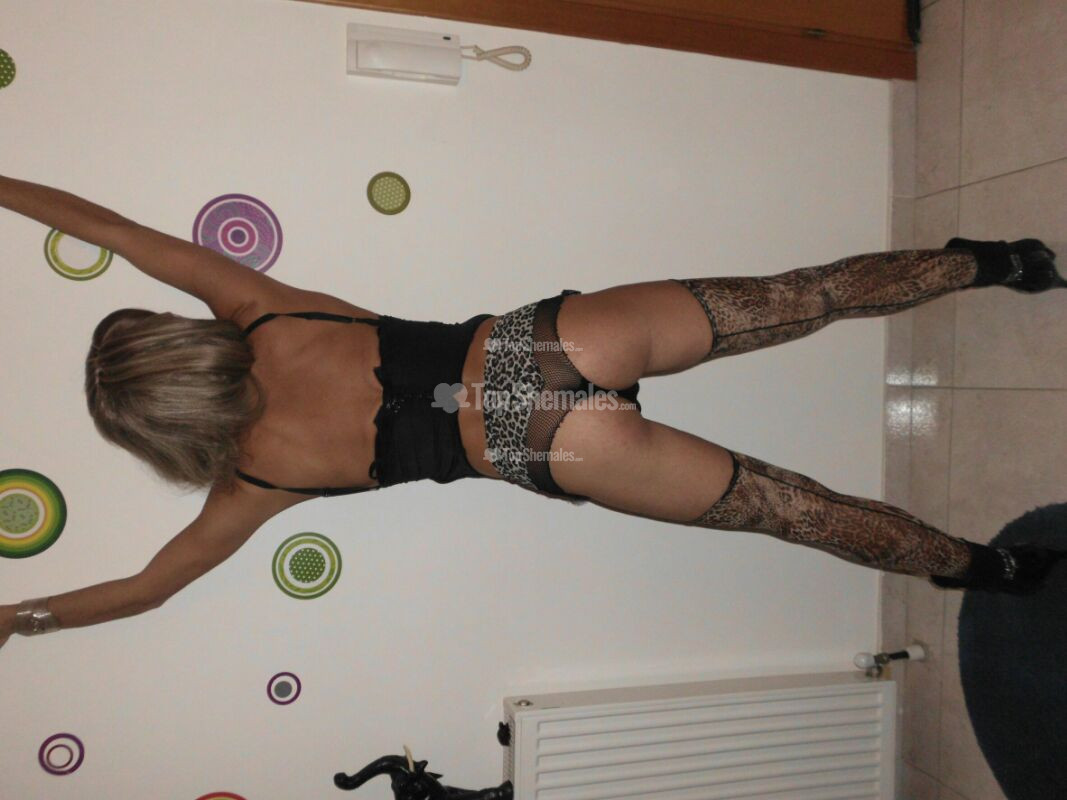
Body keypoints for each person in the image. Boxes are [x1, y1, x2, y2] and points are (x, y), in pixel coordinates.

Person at [2, 174, 1066, 650]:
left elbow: (148, 589)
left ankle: (987, 568)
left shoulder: (253, 482)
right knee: (802, 296)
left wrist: (18, 618)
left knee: (795, 509)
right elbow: (111, 227)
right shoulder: (258, 312)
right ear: (176, 345)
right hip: (543, 346)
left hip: (552, 445)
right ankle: (996, 262)